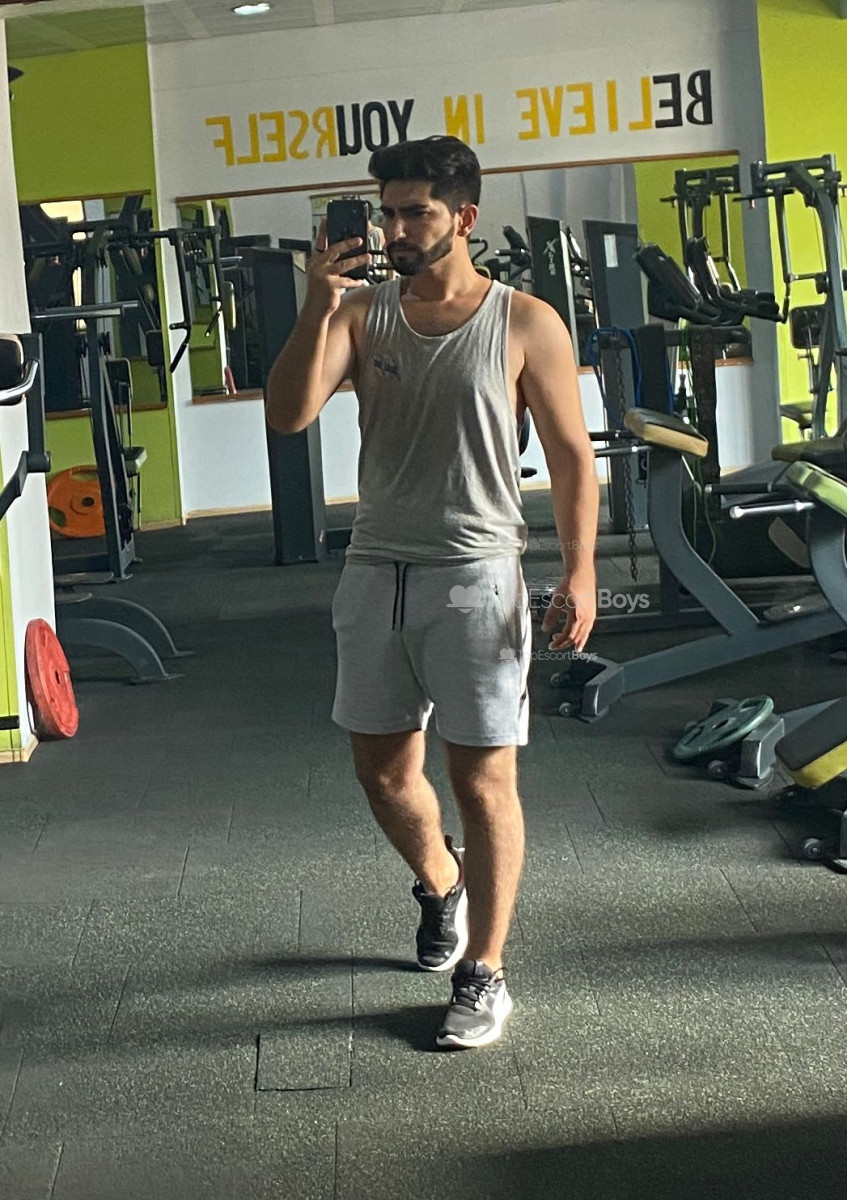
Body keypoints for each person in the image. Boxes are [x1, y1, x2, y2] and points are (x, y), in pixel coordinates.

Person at [265, 136, 599, 1049]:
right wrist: (316, 303)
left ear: (465, 217)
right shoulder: (359, 314)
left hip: (476, 575)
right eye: (388, 213)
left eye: (416, 212)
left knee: (482, 781)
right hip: (374, 570)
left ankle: (484, 971)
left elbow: (572, 457)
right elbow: (288, 413)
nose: (397, 229)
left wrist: (579, 572)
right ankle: (441, 884)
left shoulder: (524, 321)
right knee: (382, 773)